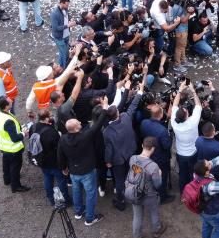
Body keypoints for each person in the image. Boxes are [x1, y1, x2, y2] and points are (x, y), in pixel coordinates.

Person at [58, 106, 111, 225]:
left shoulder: (63, 139)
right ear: (76, 129)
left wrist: (63, 168)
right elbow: (97, 125)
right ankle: (90, 218)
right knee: (90, 193)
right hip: (87, 170)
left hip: (73, 170)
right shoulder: (85, 136)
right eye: (79, 123)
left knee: (76, 191)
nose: (81, 122)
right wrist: (105, 108)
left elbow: (60, 155)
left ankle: (78, 212)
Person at [104, 83, 145, 211]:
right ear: (117, 113)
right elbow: (133, 106)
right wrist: (140, 91)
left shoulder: (107, 131)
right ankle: (140, 189)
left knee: (120, 180)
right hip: (132, 152)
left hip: (118, 159)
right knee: (136, 171)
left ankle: (121, 200)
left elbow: (108, 149)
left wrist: (108, 161)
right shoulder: (126, 118)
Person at [130, 137, 167, 238]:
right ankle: (156, 230)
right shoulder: (153, 166)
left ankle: (137, 237)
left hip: (135, 192)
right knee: (154, 212)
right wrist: (159, 174)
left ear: (142, 145)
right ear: (153, 149)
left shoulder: (133, 158)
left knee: (137, 215)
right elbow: (157, 184)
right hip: (149, 194)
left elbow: (136, 171)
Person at [31, 108, 70, 206]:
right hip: (53, 161)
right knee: (60, 180)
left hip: (41, 160)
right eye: (50, 116)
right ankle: (65, 200)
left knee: (47, 178)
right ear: (47, 118)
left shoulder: (34, 127)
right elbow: (59, 147)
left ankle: (51, 199)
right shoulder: (51, 132)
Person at [0, 97, 29, 192]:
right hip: (13, 149)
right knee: (15, 167)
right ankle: (16, 186)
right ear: (6, 106)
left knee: (6, 164)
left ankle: (7, 179)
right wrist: (23, 133)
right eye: (9, 101)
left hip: (3, 145)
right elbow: (15, 138)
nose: (12, 101)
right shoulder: (8, 121)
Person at [171, 87, 203, 193]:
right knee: (192, 174)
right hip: (193, 153)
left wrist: (179, 90)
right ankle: (193, 193)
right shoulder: (192, 122)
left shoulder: (174, 122)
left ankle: (183, 193)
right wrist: (193, 90)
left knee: (182, 174)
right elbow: (198, 105)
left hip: (181, 154)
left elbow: (175, 104)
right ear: (186, 116)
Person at [140, 104, 173, 204]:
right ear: (161, 114)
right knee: (162, 177)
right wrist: (170, 136)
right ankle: (162, 197)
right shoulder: (162, 131)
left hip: (149, 155)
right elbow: (167, 146)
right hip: (161, 158)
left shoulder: (144, 122)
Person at [50, 0, 72, 67]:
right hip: (59, 38)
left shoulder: (65, 9)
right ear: (61, 3)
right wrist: (67, 26)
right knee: (64, 54)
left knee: (63, 53)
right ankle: (65, 68)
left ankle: (61, 66)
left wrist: (70, 21)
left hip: (66, 35)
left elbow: (67, 17)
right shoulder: (54, 14)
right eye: (66, 4)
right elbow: (55, 28)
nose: (68, 6)